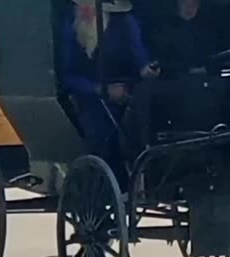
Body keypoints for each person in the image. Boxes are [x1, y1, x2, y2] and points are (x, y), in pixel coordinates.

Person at [60, 0, 159, 190]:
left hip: (128, 90)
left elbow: (140, 57)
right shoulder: (70, 27)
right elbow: (67, 76)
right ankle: (107, 187)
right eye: (83, 4)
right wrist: (100, 90)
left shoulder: (125, 23)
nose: (86, 9)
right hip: (89, 97)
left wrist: (147, 70)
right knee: (102, 133)